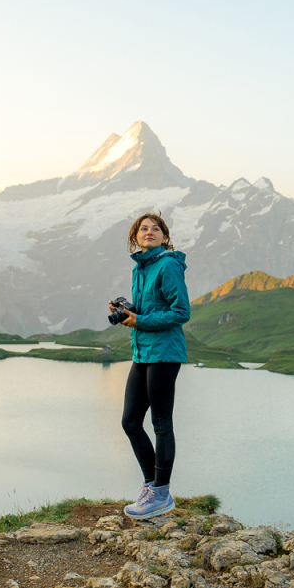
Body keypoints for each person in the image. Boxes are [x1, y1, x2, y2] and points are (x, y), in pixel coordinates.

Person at [111, 212, 190, 520]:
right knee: (130, 422)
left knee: (160, 424)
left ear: (164, 237)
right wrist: (128, 312)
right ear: (135, 237)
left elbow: (180, 312)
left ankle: (160, 494)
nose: (149, 232)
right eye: (143, 228)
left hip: (165, 353)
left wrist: (140, 320)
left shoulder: (168, 264)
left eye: (156, 229)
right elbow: (147, 310)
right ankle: (151, 486)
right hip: (143, 353)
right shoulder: (140, 268)